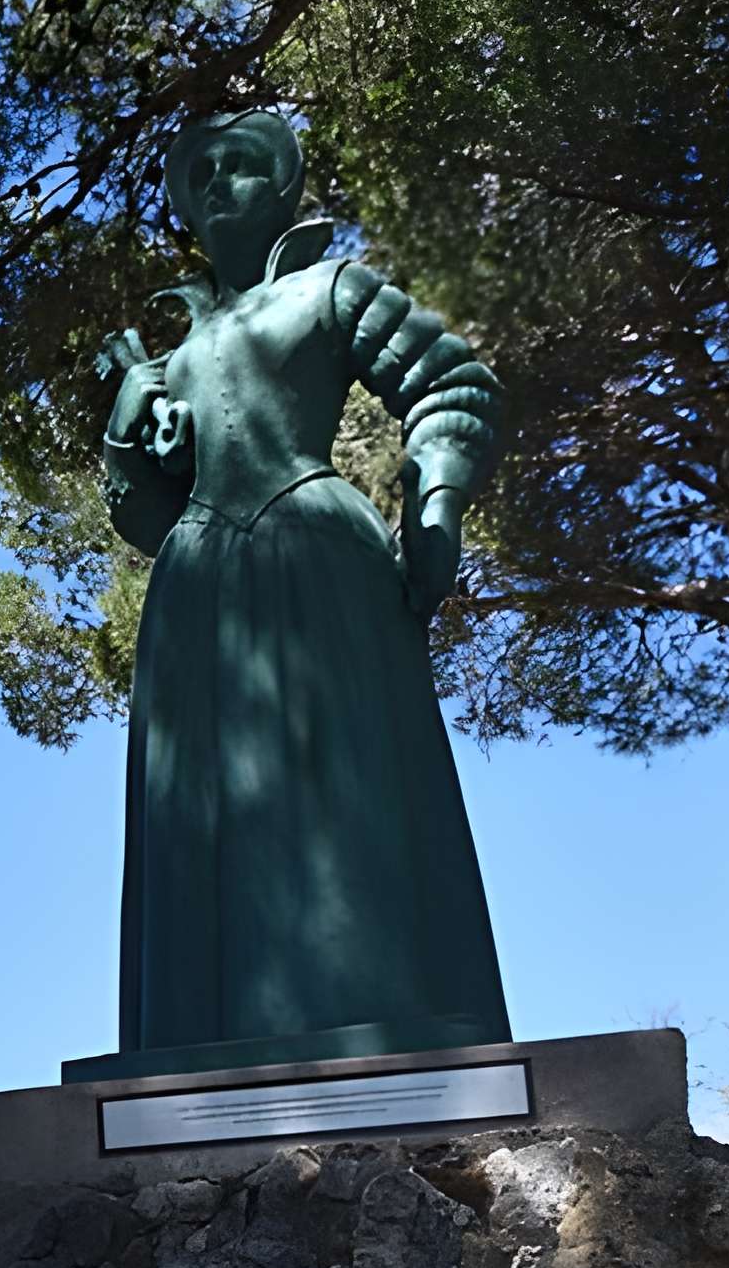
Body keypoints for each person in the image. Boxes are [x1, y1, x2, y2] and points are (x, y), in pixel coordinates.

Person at [76, 107, 512, 1079]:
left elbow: (452, 385)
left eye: (239, 165)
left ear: (283, 188)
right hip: (194, 587)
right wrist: (127, 434)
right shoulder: (169, 358)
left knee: (344, 785)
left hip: (318, 554)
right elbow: (145, 519)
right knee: (197, 810)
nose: (218, 183)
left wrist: (435, 503)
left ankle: (375, 1013)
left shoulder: (332, 289)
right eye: (200, 175)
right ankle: (200, 1045)